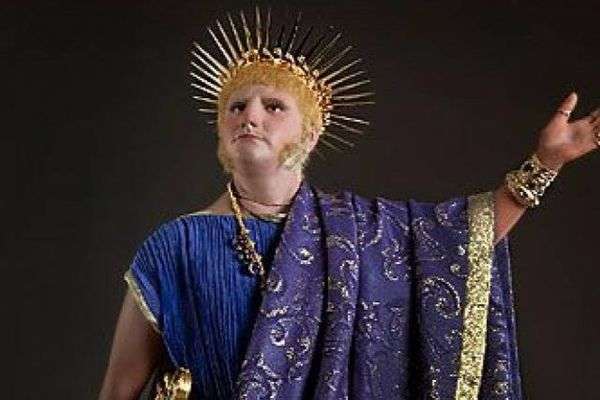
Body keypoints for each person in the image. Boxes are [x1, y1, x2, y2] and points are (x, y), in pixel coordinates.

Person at [98, 8, 600, 400]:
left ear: (311, 133)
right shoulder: (174, 245)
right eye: (236, 106)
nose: (250, 116)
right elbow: (119, 390)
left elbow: (458, 244)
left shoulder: (358, 234)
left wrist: (545, 163)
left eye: (273, 106)